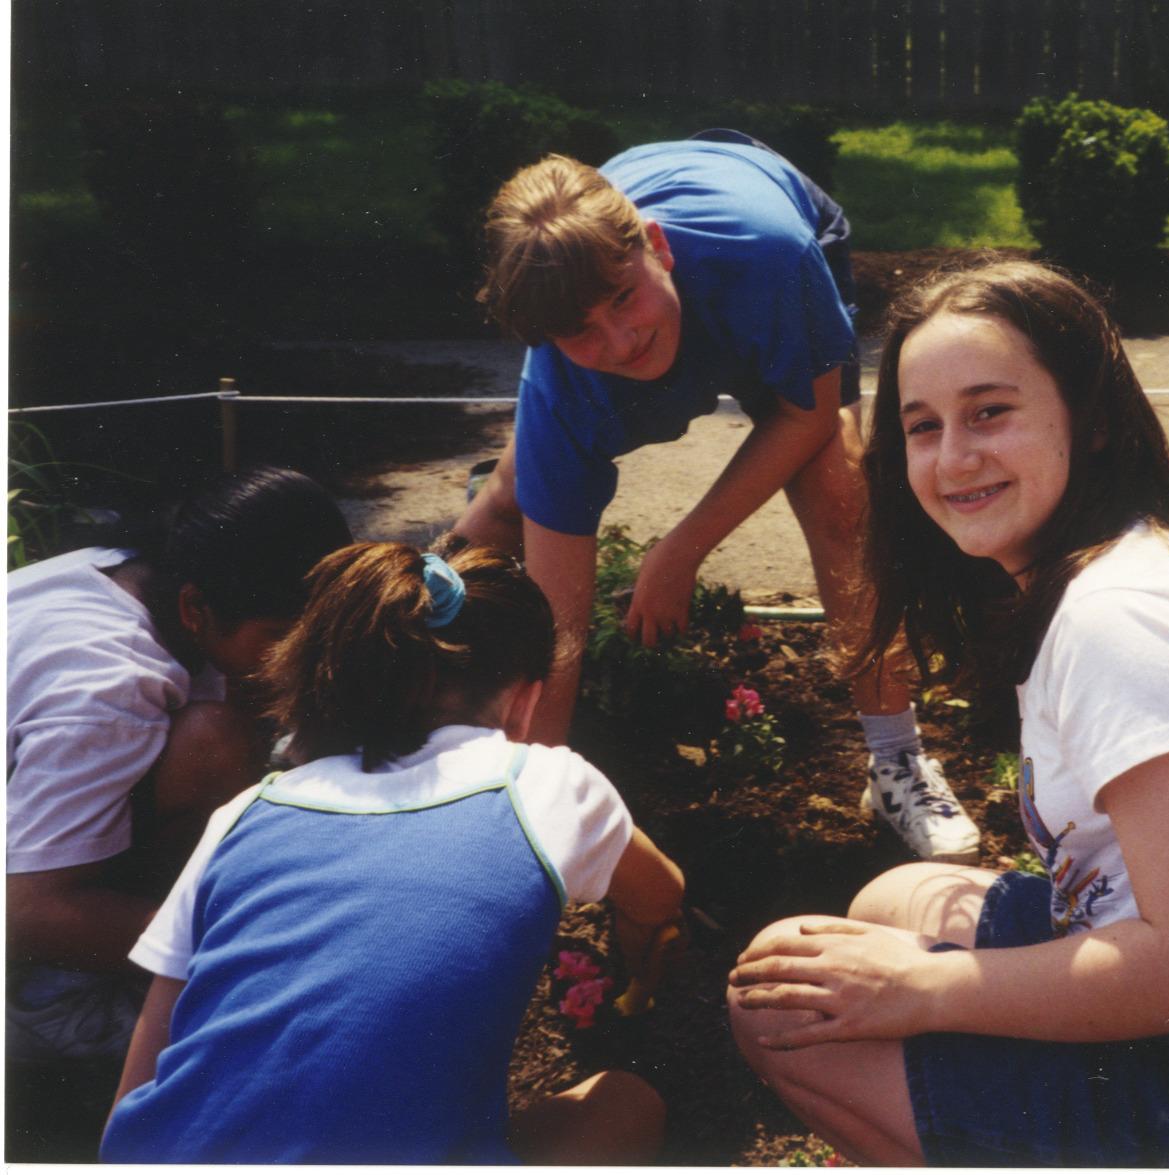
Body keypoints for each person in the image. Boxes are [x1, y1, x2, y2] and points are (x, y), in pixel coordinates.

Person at [726, 261, 1169, 1167]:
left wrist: (923, 990)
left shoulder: (1119, 616)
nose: (953, 457)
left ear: (1090, 421)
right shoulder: (1109, 571)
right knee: (890, 901)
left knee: (777, 1001)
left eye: (990, 411)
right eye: (922, 426)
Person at [452, 139, 980, 864]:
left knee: (837, 489)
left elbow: (806, 415)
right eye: (579, 331)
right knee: (512, 498)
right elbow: (560, 634)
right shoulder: (561, 386)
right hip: (630, 306)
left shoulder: (767, 255)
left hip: (761, 239)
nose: (621, 337)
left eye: (622, 298)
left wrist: (679, 551)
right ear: (547, 338)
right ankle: (390, 699)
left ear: (657, 248)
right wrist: (530, 811)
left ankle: (896, 762)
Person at [100, 541, 685, 1164]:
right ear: (526, 698)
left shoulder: (245, 814)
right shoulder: (543, 785)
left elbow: (140, 1082)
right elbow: (660, 893)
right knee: (625, 1105)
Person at [7, 466, 352, 1070]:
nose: (298, 660)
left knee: (223, 730)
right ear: (195, 607)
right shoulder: (107, 689)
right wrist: (254, 954)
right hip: (25, 946)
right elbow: (28, 914)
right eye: (279, 635)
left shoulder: (127, 569)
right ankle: (66, 1009)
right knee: (215, 741)